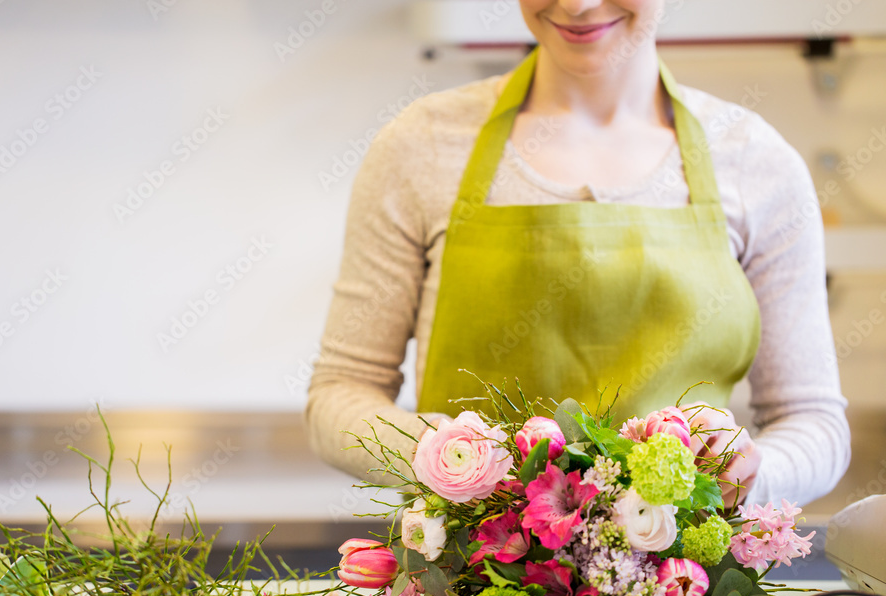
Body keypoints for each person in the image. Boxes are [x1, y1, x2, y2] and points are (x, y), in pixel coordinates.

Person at [306, 0, 850, 507]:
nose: (576, 4)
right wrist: (462, 460)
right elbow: (340, 394)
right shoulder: (421, 145)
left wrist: (750, 472)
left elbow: (814, 421)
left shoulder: (756, 161)